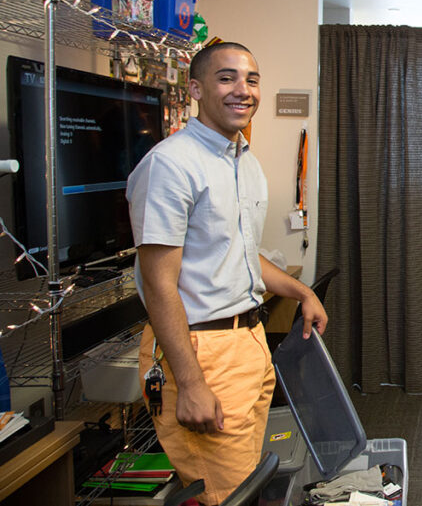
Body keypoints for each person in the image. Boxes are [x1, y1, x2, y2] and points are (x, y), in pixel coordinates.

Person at [127, 42, 328, 505]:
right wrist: (192, 383)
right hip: (202, 351)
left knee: (246, 483)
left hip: (249, 343)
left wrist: (301, 292)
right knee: (227, 495)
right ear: (195, 88)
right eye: (227, 78)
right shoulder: (170, 166)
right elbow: (159, 285)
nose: (243, 90)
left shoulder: (245, 163)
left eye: (252, 79)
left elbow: (241, 255)